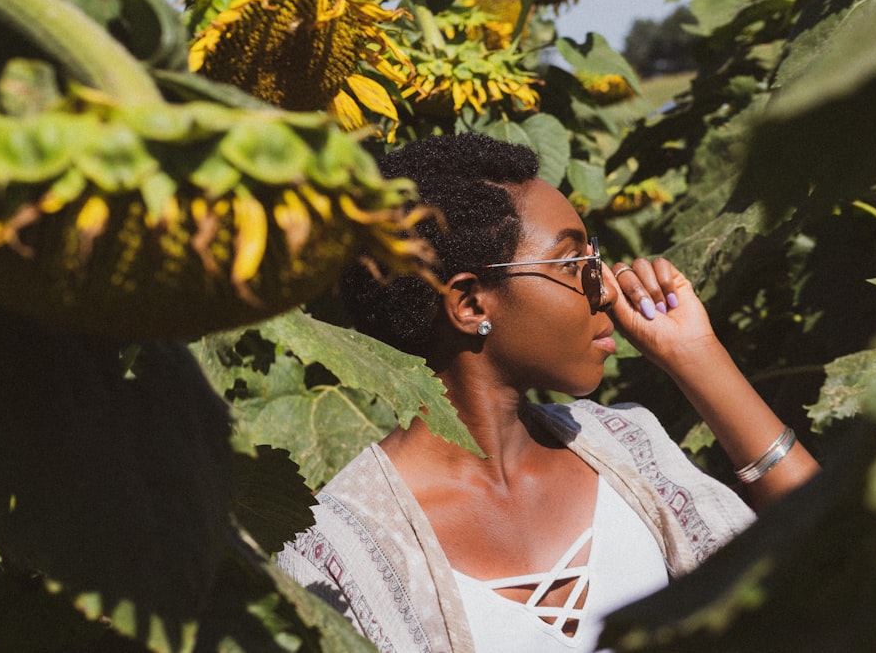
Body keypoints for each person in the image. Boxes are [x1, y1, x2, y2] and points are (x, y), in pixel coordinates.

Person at [277, 133, 819, 653]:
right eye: (572, 262)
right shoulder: (334, 555)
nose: (606, 287)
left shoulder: (626, 445)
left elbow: (833, 550)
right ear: (470, 304)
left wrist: (696, 356)